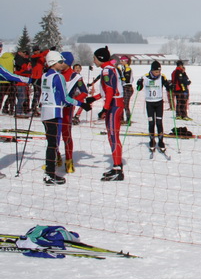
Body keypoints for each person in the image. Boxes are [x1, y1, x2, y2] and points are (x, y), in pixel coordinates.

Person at [0, 51, 93, 184]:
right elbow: (65, 98)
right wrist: (82, 104)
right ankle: (50, 173)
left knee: (52, 142)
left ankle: (54, 167)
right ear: (54, 63)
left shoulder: (45, 76)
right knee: (53, 143)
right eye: (61, 62)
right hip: (55, 112)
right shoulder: (58, 77)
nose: (63, 64)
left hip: (44, 113)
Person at [94, 46, 126, 181]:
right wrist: (93, 98)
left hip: (114, 105)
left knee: (113, 136)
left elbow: (110, 91)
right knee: (112, 136)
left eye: (94, 58)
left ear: (100, 58)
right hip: (114, 104)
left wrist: (105, 109)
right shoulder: (109, 69)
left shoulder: (107, 71)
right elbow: (106, 91)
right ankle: (116, 166)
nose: (94, 61)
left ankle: (117, 169)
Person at [60, 51, 90, 172]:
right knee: (53, 135)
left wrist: (72, 101)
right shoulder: (56, 73)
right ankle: (56, 157)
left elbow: (84, 92)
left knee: (66, 134)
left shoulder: (74, 76)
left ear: (67, 63)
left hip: (67, 109)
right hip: (55, 109)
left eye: (62, 61)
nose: (60, 63)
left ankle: (69, 161)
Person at [136, 60, 172, 154]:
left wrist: (169, 86)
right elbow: (138, 89)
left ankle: (161, 141)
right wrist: (139, 84)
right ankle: (152, 140)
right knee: (151, 123)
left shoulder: (162, 77)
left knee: (159, 122)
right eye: (156, 71)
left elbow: (167, 87)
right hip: (150, 103)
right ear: (151, 70)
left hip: (159, 103)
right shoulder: (145, 77)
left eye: (159, 71)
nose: (158, 73)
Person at [118, 55, 134, 124]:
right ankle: (122, 118)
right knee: (122, 104)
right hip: (124, 87)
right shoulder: (123, 68)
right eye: (120, 60)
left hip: (127, 87)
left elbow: (127, 80)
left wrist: (121, 77)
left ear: (126, 61)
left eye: (122, 61)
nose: (121, 62)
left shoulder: (127, 68)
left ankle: (128, 120)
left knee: (126, 105)